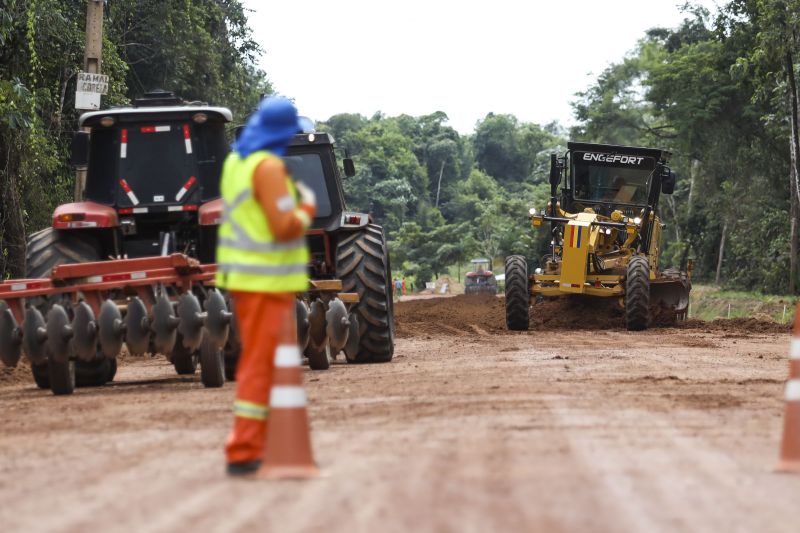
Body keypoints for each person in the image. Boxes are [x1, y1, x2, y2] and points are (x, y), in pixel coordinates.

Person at [215, 96, 316, 477]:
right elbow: (282, 226)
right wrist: (305, 208)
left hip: (245, 280)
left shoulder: (235, 164)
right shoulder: (268, 168)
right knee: (259, 364)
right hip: (265, 282)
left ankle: (251, 444)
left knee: (258, 363)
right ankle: (243, 449)